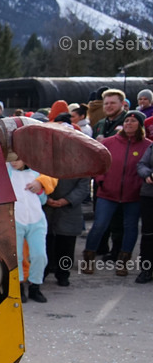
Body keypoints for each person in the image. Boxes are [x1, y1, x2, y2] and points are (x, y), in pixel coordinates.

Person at [81, 110, 152, 276]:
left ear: (140, 125)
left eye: (133, 121)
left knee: (130, 228)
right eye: (126, 121)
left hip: (133, 196)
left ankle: (123, 262)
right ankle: (89, 258)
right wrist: (101, 180)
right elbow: (97, 163)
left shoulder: (147, 145)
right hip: (107, 193)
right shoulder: (109, 142)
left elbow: (147, 166)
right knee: (99, 225)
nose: (128, 124)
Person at [7, 159, 50, 303]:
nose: (13, 162)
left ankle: (35, 286)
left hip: (36, 220)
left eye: (17, 159)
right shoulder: (6, 170)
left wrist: (40, 189)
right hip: (16, 219)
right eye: (10, 159)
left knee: (40, 255)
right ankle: (18, 287)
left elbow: (43, 199)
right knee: (16, 256)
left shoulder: (36, 173)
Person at [43, 177, 88, 286]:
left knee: (66, 245)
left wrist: (67, 200)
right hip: (45, 207)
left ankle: (63, 274)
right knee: (44, 245)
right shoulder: (44, 160)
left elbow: (83, 186)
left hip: (70, 209)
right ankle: (42, 273)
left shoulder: (80, 163)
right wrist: (45, 197)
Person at [136, 138, 153, 284]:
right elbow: (141, 165)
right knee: (148, 234)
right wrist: (148, 174)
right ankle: (146, 269)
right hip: (149, 195)